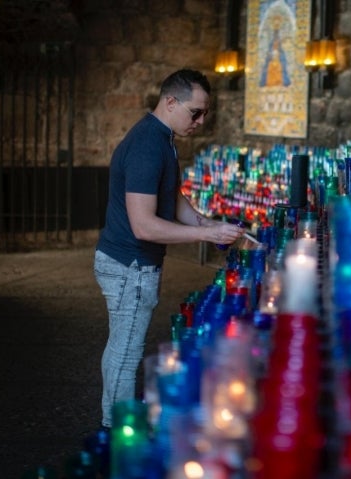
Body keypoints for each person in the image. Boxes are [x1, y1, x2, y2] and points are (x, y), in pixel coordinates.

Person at [93, 69, 245, 428]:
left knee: (121, 345)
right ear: (171, 102)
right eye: (196, 112)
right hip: (129, 264)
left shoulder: (161, 138)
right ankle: (115, 434)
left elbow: (170, 195)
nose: (202, 121)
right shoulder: (149, 144)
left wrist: (205, 222)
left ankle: (113, 424)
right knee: (127, 351)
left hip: (127, 261)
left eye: (206, 113)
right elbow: (144, 226)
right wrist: (205, 237)